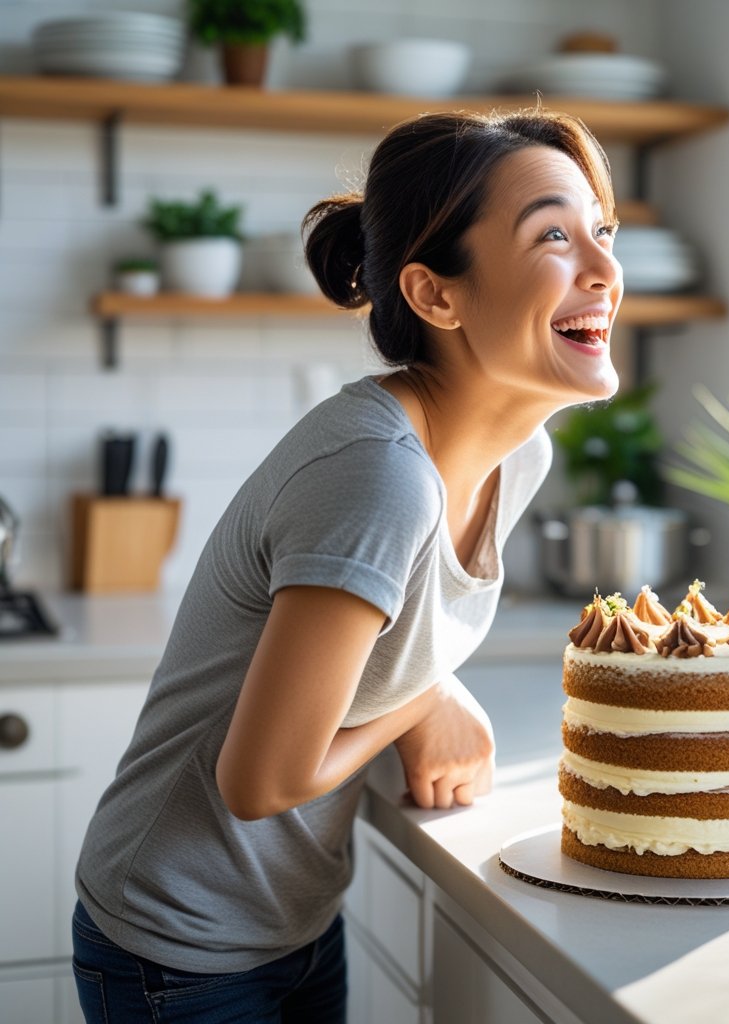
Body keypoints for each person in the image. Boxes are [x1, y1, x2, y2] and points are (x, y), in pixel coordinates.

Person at [70, 106, 623, 1023]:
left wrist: (429, 691)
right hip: (176, 947)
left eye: (601, 233)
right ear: (436, 294)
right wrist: (426, 698)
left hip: (289, 920)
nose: (604, 271)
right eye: (554, 236)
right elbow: (263, 781)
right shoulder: (377, 476)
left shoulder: (516, 459)